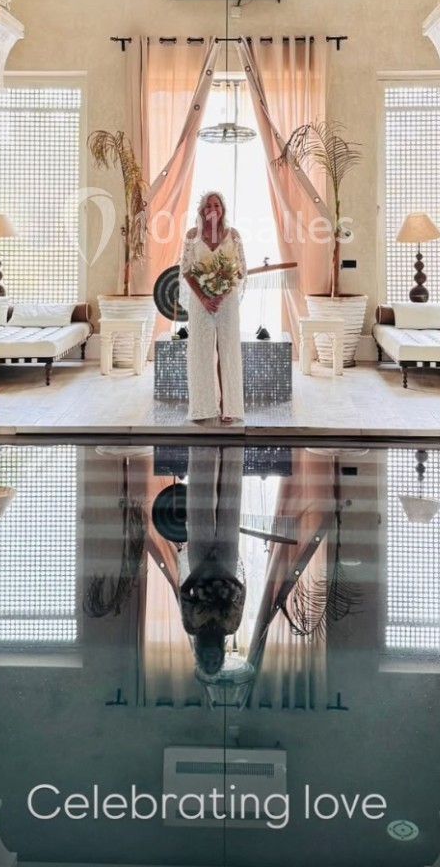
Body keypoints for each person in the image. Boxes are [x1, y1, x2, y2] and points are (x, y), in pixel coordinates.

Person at [179, 190, 247, 424]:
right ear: (202, 211)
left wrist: (222, 292)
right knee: (201, 353)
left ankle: (229, 406)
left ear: (222, 209)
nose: (212, 209)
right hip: (200, 303)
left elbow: (239, 270)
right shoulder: (192, 235)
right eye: (208, 206)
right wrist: (205, 297)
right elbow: (186, 269)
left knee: (227, 351)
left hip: (226, 303)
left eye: (216, 205)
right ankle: (203, 407)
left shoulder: (233, 235)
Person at [180, 446, 246, 677]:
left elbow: (184, 592)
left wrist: (204, 567)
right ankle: (233, 450)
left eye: (205, 660)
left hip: (199, 565)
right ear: (219, 654)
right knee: (230, 501)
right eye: (214, 660)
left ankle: (202, 449)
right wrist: (219, 567)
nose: (210, 657)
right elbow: (241, 590)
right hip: (227, 565)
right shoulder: (231, 627)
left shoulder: (191, 626)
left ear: (199, 656)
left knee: (199, 502)